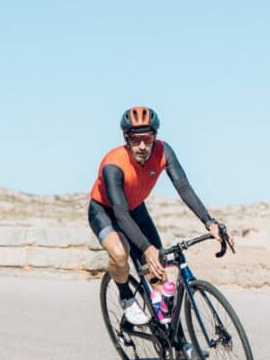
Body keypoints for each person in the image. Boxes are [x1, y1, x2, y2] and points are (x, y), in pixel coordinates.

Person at [88, 106, 232, 326]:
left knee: (160, 280)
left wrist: (209, 222)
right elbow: (119, 212)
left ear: (155, 137)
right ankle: (126, 296)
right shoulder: (113, 164)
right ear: (126, 139)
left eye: (147, 139)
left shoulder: (164, 152)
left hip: (136, 210)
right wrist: (146, 248)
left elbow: (184, 187)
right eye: (136, 140)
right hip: (106, 211)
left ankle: (173, 338)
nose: (143, 146)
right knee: (120, 253)